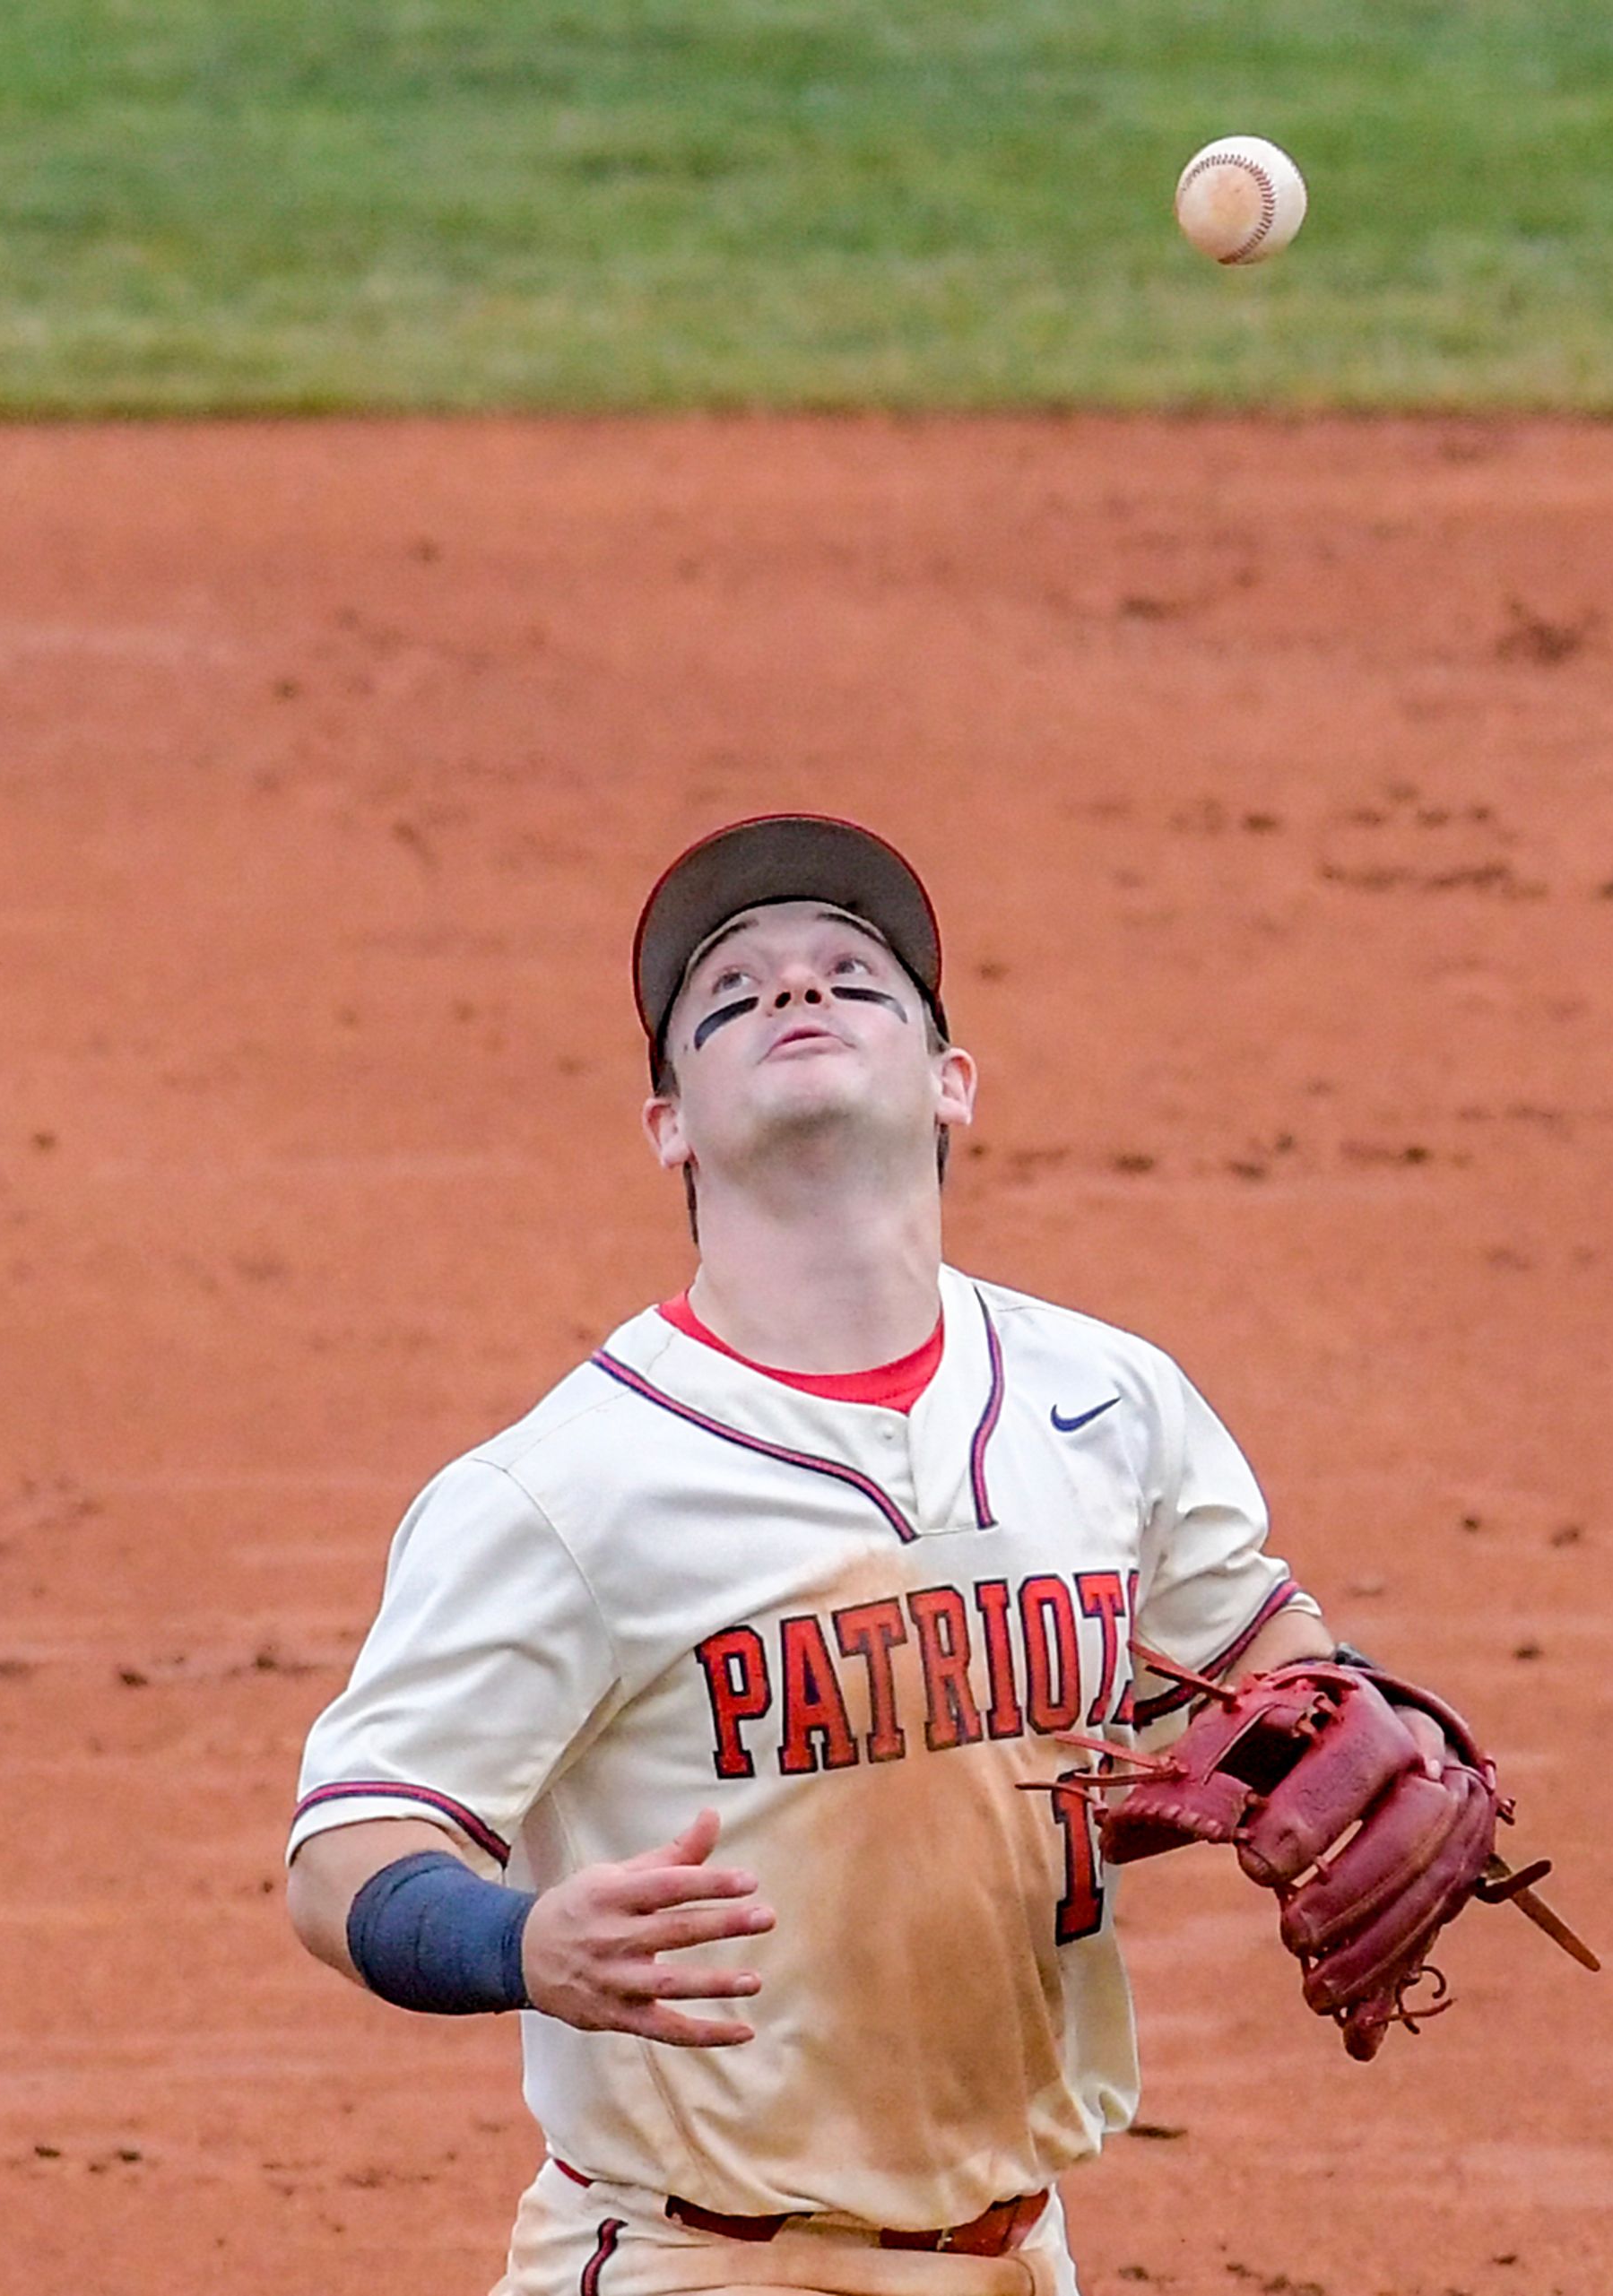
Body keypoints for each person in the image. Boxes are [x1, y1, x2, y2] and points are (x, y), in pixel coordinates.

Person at [285, 814, 1337, 2296]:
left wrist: (1336, 1743)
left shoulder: (1107, 1403)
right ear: (668, 1123)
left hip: (1018, 2252)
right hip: (693, 2260)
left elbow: (1269, 1679)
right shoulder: (567, 1488)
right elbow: (344, 1852)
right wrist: (519, 1939)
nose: (795, 991)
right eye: (731, 993)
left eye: (855, 972)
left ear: (950, 1082)